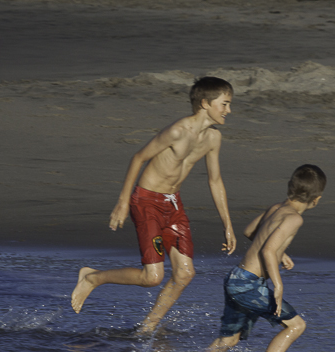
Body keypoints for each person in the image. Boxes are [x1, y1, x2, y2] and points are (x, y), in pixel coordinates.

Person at [70, 76, 237, 335]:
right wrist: (123, 202)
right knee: (153, 277)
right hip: (147, 202)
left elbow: (215, 181)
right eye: (224, 104)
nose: (228, 110)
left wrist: (228, 225)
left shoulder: (213, 138)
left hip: (173, 204)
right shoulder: (177, 131)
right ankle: (93, 277)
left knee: (184, 274)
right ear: (205, 103)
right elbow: (138, 158)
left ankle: (148, 327)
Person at [195, 164, 326, 352]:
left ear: (290, 188)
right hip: (248, 285)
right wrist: (278, 285)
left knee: (229, 339)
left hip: (237, 278)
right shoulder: (294, 219)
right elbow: (267, 251)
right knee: (297, 326)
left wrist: (280, 251)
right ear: (316, 199)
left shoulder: (277, 207)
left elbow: (250, 231)